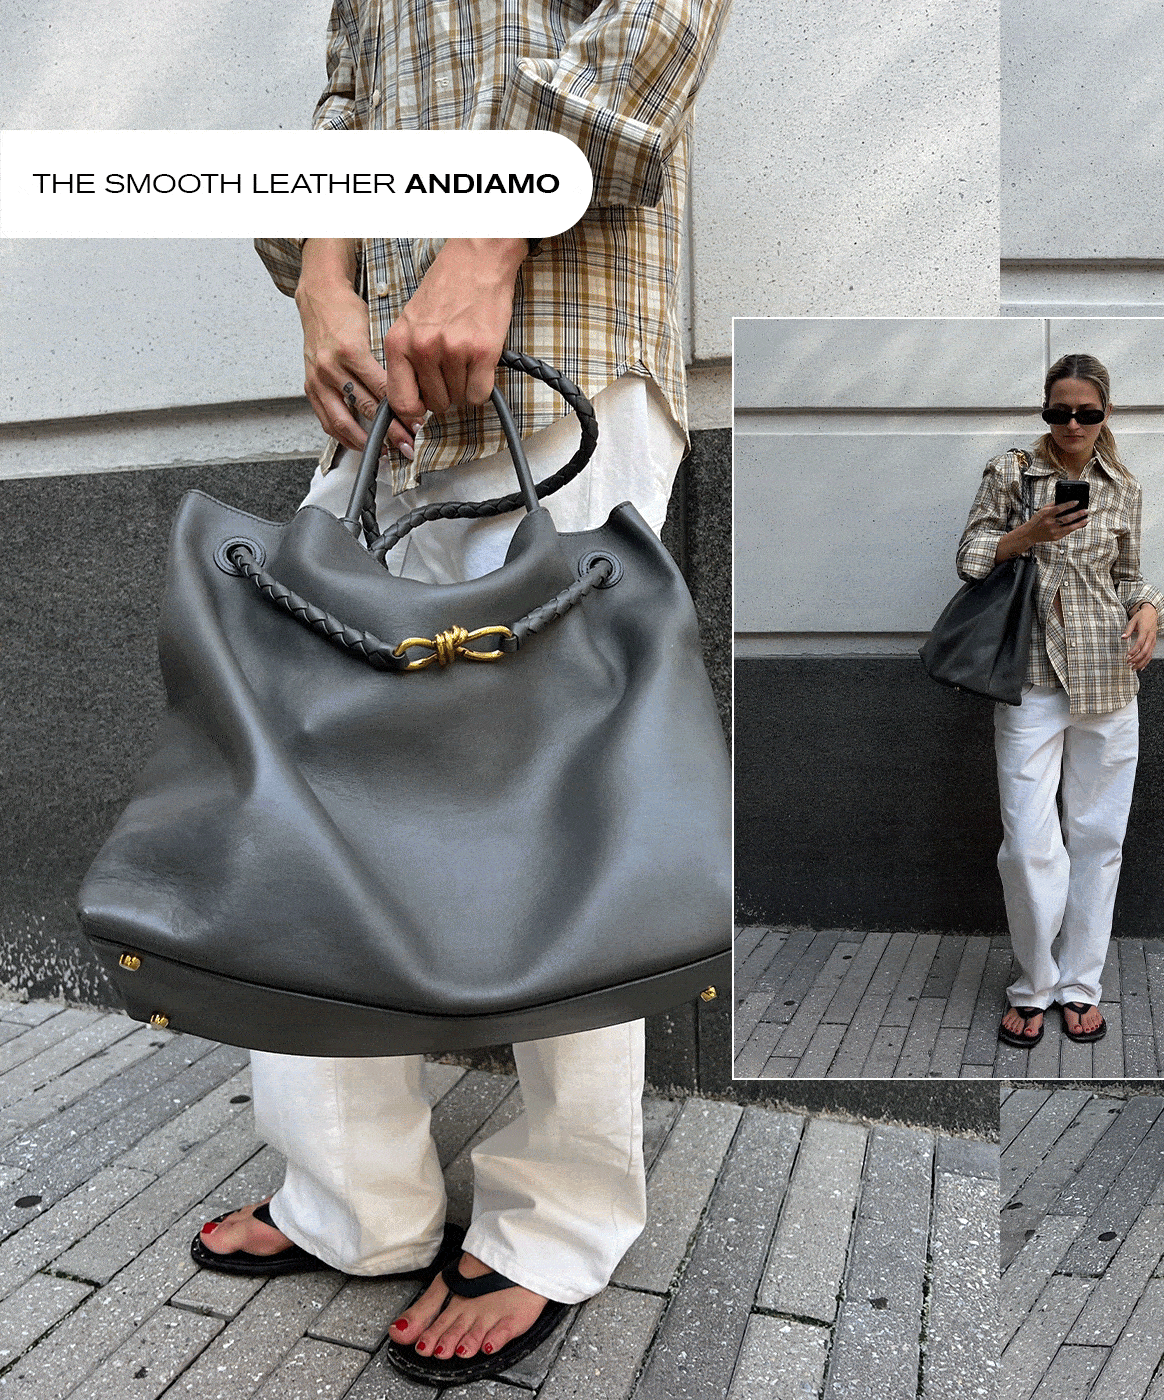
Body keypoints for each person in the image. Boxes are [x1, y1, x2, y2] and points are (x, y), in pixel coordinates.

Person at [190, 0, 731, 1384]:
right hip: (381, 384)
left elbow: (658, 21)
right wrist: (320, 267)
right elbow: (351, 98)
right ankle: (351, 1196)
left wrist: (489, 234)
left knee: (556, 809)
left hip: (557, 329)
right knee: (319, 798)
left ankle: (554, 1218)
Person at [954, 353, 1164, 1052]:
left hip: (1108, 676)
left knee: (1100, 839)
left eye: (1087, 412)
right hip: (1031, 679)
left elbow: (1131, 576)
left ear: (1106, 414)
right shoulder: (1012, 472)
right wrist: (1026, 536)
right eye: (1059, 411)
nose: (1072, 424)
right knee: (1028, 844)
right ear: (1045, 411)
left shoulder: (1122, 485)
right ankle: (1034, 984)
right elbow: (970, 556)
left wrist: (1150, 613)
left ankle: (1080, 986)